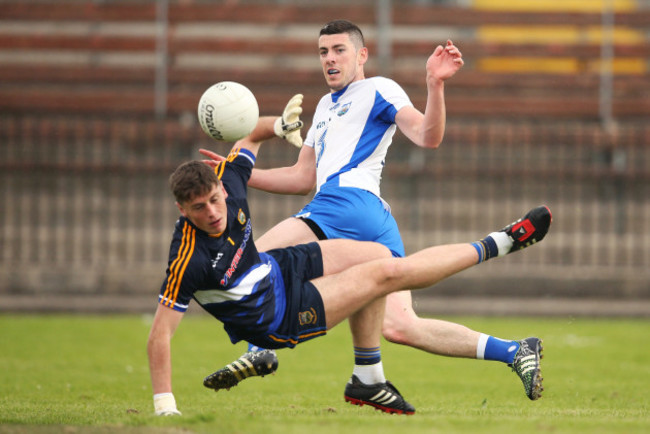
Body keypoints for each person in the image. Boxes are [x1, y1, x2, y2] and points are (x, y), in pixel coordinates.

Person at [199, 19, 544, 406]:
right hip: (362, 219)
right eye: (323, 52)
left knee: (250, 264)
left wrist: (435, 84)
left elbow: (428, 136)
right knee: (401, 327)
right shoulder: (326, 107)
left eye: (339, 50)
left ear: (362, 55)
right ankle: (515, 351)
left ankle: (259, 349)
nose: (329, 59)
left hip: (345, 205)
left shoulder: (379, 88)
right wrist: (237, 174)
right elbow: (301, 176)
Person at [147, 115, 553, 416]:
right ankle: (498, 244)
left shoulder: (229, 182)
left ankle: (367, 377)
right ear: (183, 210)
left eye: (216, 200)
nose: (214, 212)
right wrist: (166, 409)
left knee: (382, 260)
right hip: (278, 314)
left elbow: (252, 135)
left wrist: (281, 124)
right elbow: (159, 337)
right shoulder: (188, 258)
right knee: (390, 276)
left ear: (221, 186)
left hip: (279, 268)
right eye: (200, 209)